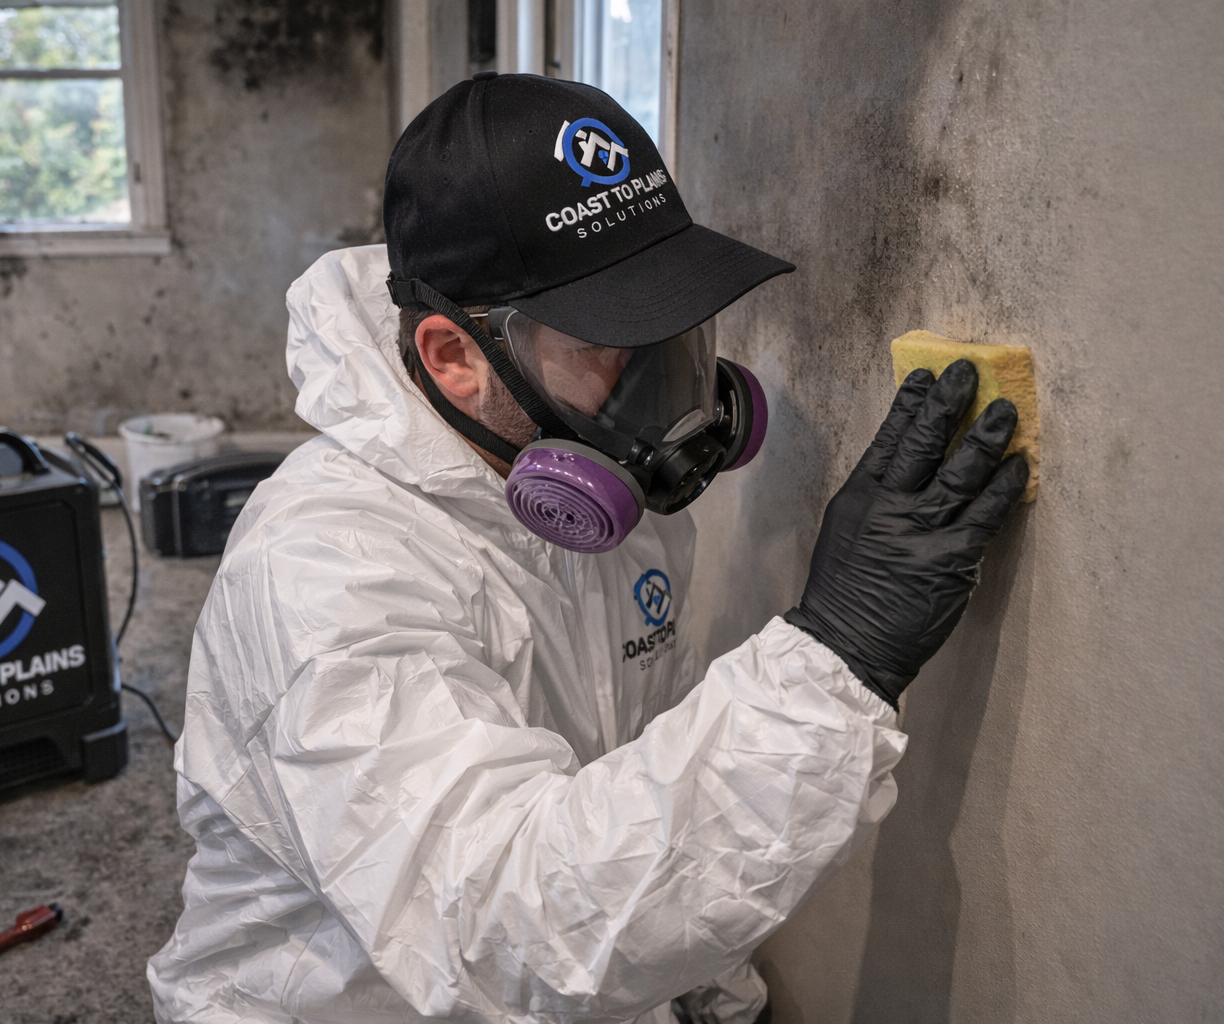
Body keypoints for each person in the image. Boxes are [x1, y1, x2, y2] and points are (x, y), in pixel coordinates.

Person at [148, 73, 1027, 1024]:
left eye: (677, 328)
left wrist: (716, 996)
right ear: (455, 355)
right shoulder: (325, 575)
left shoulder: (602, 497)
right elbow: (503, 926)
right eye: (612, 344)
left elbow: (636, 770)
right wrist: (839, 652)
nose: (668, 391)